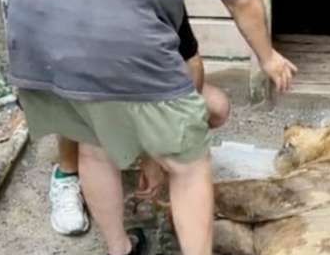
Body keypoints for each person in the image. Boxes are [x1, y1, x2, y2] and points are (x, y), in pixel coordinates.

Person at [8, 0, 296, 255]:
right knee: (190, 165)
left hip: (35, 31)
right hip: (113, 35)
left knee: (93, 145)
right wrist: (267, 57)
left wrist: (151, 148)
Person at [47, 13, 231, 236]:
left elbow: (191, 62)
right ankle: (67, 174)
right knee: (87, 119)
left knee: (217, 106)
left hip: (147, 87)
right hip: (93, 84)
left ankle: (165, 157)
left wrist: (157, 151)